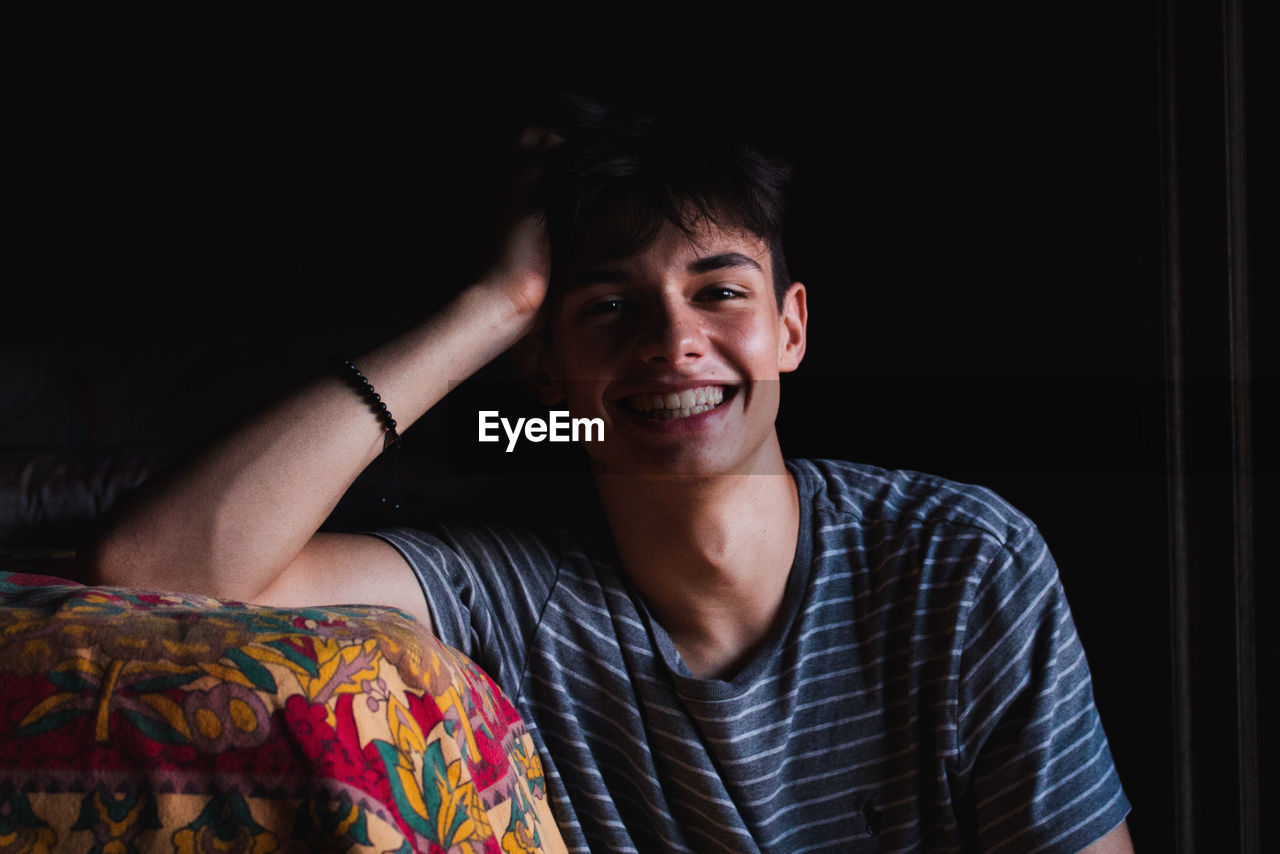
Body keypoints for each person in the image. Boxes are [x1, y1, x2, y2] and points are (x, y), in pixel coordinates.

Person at [88, 98, 1134, 852]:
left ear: (790, 328)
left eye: (717, 292)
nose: (673, 344)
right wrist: (493, 306)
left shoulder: (959, 560)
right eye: (607, 309)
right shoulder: (509, 588)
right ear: (547, 362)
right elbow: (158, 564)